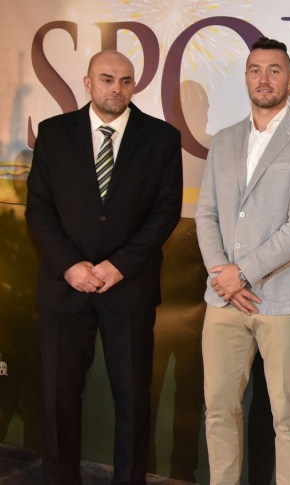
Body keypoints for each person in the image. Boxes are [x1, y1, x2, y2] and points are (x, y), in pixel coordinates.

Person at [25, 50, 183, 484]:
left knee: (133, 400)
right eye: (107, 79)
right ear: (88, 82)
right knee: (58, 400)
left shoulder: (161, 138)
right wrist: (69, 266)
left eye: (126, 80)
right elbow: (39, 208)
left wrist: (119, 266)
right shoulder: (54, 133)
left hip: (128, 288)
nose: (117, 88)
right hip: (64, 288)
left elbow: (165, 212)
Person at [195, 36, 290, 485]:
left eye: (274, 70)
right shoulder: (224, 140)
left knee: (289, 417)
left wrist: (243, 273)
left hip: (283, 299)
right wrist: (222, 275)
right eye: (255, 70)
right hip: (223, 300)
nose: (264, 79)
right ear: (246, 77)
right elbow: (207, 212)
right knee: (219, 410)